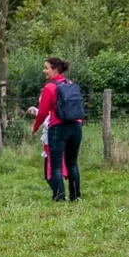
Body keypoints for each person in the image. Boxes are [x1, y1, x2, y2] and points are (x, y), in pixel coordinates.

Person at [30, 57, 82, 202]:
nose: (44, 71)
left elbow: (42, 112)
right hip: (76, 126)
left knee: (56, 165)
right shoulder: (71, 84)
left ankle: (59, 197)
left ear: (55, 69)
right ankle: (75, 197)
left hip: (58, 127)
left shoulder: (50, 87)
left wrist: (35, 127)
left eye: (46, 68)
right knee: (72, 163)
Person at [27, 105, 67, 186]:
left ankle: (59, 193)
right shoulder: (57, 111)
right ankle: (60, 193)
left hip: (51, 142)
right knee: (55, 170)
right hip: (55, 141)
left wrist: (35, 126)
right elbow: (44, 113)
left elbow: (46, 120)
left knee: (53, 171)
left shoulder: (52, 115)